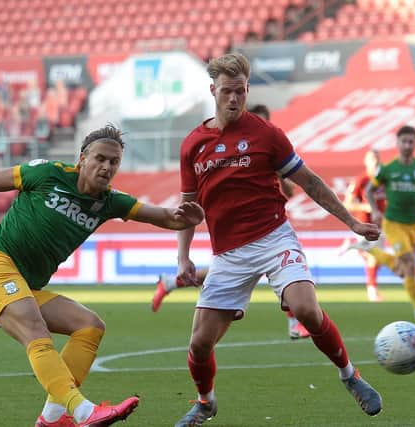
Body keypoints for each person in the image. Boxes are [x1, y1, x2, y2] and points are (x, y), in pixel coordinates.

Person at [0, 125, 204, 427]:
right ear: (83, 158)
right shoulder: (48, 174)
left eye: (114, 162)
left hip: (25, 285)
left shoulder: (111, 202)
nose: (107, 167)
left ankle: (53, 417)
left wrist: (186, 220)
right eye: (100, 158)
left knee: (89, 326)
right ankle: (83, 411)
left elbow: (166, 217)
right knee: (35, 328)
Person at [173, 53, 382, 426]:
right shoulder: (193, 145)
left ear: (248, 89)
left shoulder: (267, 135)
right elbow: (188, 208)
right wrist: (183, 258)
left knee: (305, 309)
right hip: (228, 255)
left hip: (274, 239)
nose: (234, 99)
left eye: (240, 91)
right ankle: (205, 403)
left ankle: (350, 375)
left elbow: (311, 182)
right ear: (213, 91)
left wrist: (351, 222)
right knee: (199, 344)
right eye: (226, 91)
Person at [152, 103, 310, 340]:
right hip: (235, 227)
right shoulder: (225, 148)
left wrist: (278, 174)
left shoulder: (270, 146)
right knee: (258, 269)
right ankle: (295, 323)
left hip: (270, 221)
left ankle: (295, 323)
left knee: (283, 270)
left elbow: (291, 191)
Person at [357, 125, 415, 322]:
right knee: (409, 263)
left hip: (413, 225)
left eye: (411, 141)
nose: (407, 145)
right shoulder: (388, 169)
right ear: (398, 144)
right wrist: (376, 211)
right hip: (393, 224)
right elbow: (369, 190)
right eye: (404, 141)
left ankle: (372, 251)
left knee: (405, 271)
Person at [340, 149, 386, 302]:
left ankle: (353, 246)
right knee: (374, 257)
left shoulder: (384, 180)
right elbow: (347, 204)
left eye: (377, 158)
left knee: (378, 258)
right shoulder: (361, 180)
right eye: (372, 158)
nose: (376, 161)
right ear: (366, 161)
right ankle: (372, 292)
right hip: (364, 225)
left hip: (381, 224)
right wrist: (365, 208)